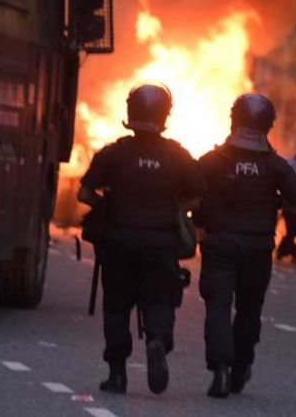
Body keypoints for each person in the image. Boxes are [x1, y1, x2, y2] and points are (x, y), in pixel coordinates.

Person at [77, 84, 205, 396]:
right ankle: (157, 341)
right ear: (165, 115)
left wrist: (107, 204)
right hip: (162, 243)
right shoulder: (179, 155)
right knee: (160, 299)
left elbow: (84, 194)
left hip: (118, 241)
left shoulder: (114, 153)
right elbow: (199, 196)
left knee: (117, 306)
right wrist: (176, 209)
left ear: (130, 113)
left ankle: (118, 375)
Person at [196, 93, 296, 398]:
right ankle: (240, 367)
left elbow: (188, 194)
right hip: (258, 247)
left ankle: (219, 371)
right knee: (249, 309)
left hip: (219, 244)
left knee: (218, 307)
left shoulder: (212, 161)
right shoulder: (276, 166)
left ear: (234, 119)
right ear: (268, 125)